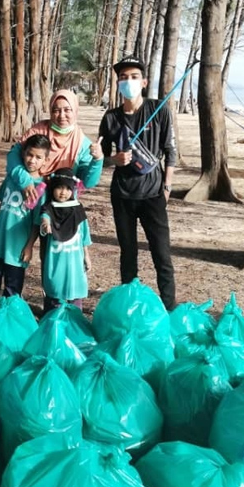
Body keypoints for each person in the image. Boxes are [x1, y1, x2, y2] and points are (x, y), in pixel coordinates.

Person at [98, 56, 177, 310]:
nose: (128, 82)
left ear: (143, 82)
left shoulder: (159, 109)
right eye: (123, 78)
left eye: (133, 77)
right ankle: (129, 307)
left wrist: (167, 187)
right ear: (118, 83)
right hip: (122, 196)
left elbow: (170, 151)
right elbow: (100, 158)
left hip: (153, 195)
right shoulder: (111, 118)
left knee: (161, 255)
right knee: (128, 254)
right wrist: (115, 160)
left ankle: (168, 308)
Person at [0, 134, 52, 318]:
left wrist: (29, 246)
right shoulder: (12, 178)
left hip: (17, 248)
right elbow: (1, 206)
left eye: (38, 157)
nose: (32, 160)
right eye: (29, 154)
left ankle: (8, 319)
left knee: (13, 286)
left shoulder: (41, 189)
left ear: (45, 160)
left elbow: (36, 222)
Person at [6, 89, 104, 207]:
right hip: (28, 196)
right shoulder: (37, 131)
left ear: (75, 111)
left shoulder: (82, 143)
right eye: (56, 110)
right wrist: (25, 181)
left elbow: (88, 182)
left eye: (67, 110)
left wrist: (97, 160)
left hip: (58, 205)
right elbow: (13, 155)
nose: (62, 115)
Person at [22, 169, 92, 313]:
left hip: (75, 263)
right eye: (59, 187)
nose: (63, 192)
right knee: (54, 293)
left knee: (75, 295)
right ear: (52, 188)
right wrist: (46, 224)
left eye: (67, 188)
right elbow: (45, 217)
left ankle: (74, 322)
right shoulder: (48, 208)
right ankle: (50, 321)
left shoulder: (78, 209)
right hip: (56, 262)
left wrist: (86, 255)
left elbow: (84, 235)